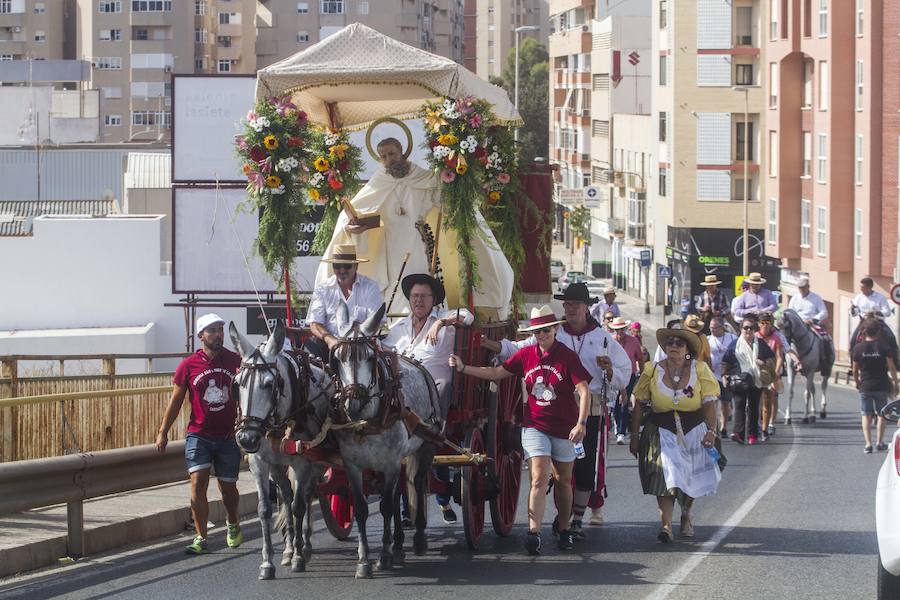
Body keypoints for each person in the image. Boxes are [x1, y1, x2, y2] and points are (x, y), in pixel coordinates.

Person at [449, 306, 592, 555]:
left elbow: (583, 390)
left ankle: (565, 527)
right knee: (538, 477)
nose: (541, 335)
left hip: (564, 428)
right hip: (535, 426)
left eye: (545, 330)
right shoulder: (526, 355)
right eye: (537, 332)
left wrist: (581, 423)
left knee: (564, 480)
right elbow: (496, 373)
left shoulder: (567, 357)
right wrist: (463, 368)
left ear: (555, 330)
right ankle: (533, 533)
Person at [315, 137, 513, 316]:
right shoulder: (379, 182)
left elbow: (447, 204)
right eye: (383, 157)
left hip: (417, 242)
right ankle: (396, 322)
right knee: (395, 285)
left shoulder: (423, 177)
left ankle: (425, 320)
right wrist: (354, 226)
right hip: (391, 245)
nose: (389, 160)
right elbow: (362, 214)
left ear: (402, 151)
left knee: (419, 280)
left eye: (392, 154)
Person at [494, 283, 631, 533]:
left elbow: (624, 372)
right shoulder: (555, 333)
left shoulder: (602, 339)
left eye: (575, 305)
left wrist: (609, 369)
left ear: (586, 308)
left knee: (586, 466)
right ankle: (565, 517)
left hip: (589, 410)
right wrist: (498, 347)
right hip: (556, 408)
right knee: (560, 472)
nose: (569, 309)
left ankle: (577, 518)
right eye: (566, 305)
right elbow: (522, 350)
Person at [380, 273, 472, 523]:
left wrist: (441, 324)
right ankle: (405, 508)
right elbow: (384, 350)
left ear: (434, 300)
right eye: (414, 296)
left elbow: (469, 317)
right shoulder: (397, 328)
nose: (418, 301)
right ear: (409, 299)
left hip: (435, 383)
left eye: (424, 296)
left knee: (441, 389)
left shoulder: (444, 319)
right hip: (405, 389)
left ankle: (433, 432)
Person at [156, 314, 243, 555]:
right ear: (201, 336)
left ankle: (233, 522)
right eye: (212, 330)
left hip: (228, 435)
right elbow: (176, 401)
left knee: (228, 489)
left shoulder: (235, 361)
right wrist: (163, 431)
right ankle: (201, 537)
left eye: (220, 330)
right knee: (198, 483)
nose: (218, 334)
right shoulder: (188, 365)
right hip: (199, 435)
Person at [629, 326, 722, 543]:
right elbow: (640, 405)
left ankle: (687, 513)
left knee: (689, 475)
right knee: (666, 474)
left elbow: (710, 403)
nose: (673, 346)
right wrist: (634, 436)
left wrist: (711, 431)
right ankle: (666, 526)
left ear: (687, 349)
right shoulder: (652, 370)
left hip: (694, 428)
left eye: (678, 343)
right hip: (662, 429)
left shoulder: (700, 370)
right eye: (669, 343)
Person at [305, 243, 383, 360]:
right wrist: (329, 339)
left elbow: (375, 322)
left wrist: (356, 341)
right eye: (337, 266)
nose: (341, 270)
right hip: (330, 346)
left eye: (346, 266)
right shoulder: (323, 289)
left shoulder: (370, 287)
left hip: (362, 345)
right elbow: (315, 323)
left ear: (356, 266)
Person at [722, 315, 777, 445]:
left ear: (755, 330)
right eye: (745, 328)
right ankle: (738, 433)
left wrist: (763, 363)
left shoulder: (761, 344)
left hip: (756, 380)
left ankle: (752, 435)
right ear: (741, 329)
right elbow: (726, 361)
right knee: (739, 405)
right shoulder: (734, 344)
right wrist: (724, 375)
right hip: (739, 379)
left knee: (753, 407)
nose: (748, 330)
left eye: (751, 328)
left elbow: (771, 359)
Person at [852, 320, 899, 453]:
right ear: (878, 331)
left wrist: (857, 382)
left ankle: (868, 444)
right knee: (881, 415)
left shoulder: (857, 348)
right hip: (881, 385)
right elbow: (891, 367)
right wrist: (896, 383)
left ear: (864, 332)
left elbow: (855, 369)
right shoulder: (884, 347)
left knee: (866, 415)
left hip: (865, 386)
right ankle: (879, 442)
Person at [609, 317, 646, 445]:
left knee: (624, 402)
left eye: (622, 329)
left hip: (629, 375)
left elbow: (640, 358)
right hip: (612, 375)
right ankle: (617, 421)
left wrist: (642, 376)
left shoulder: (633, 341)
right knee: (615, 403)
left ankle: (621, 432)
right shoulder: (610, 341)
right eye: (617, 330)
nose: (620, 332)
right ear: (613, 330)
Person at [756, 312, 785, 441]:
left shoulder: (776, 338)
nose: (765, 326)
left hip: (771, 373)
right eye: (762, 323)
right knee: (756, 402)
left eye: (768, 323)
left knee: (769, 401)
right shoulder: (755, 336)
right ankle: (756, 423)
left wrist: (776, 373)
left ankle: (767, 426)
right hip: (757, 373)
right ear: (759, 324)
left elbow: (779, 357)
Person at [708, 317, 737, 437]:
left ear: (722, 327)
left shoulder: (732, 338)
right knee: (713, 402)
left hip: (726, 375)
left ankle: (724, 427)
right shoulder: (707, 339)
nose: (713, 330)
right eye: (711, 327)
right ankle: (713, 427)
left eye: (715, 327)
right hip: (712, 375)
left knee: (725, 402)